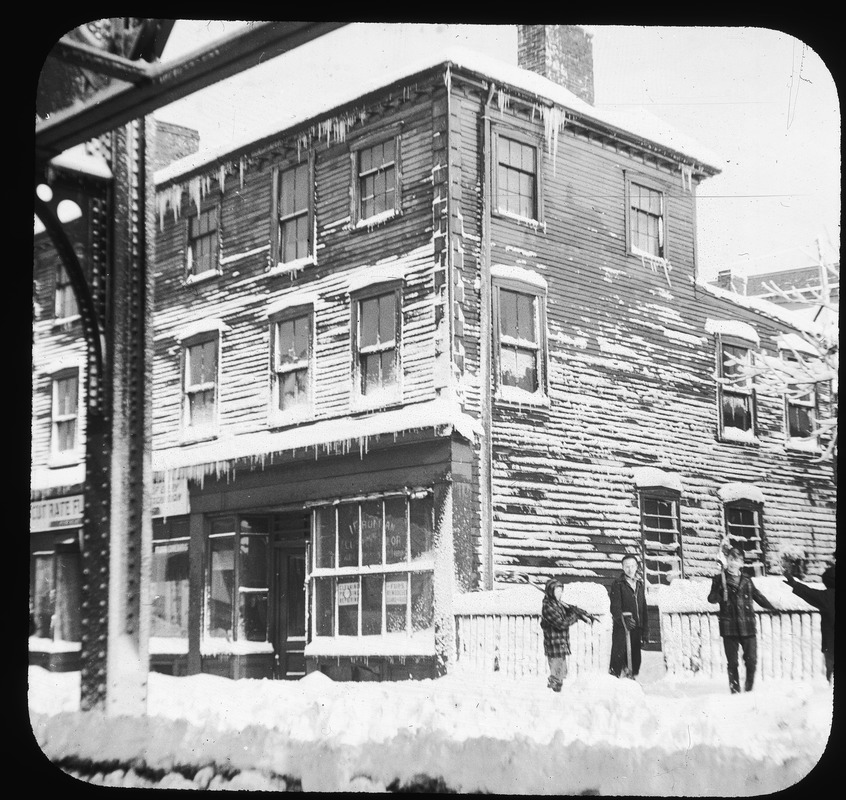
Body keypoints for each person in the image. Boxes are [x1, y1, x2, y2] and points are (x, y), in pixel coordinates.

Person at [707, 547, 778, 693]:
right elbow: (711, 598)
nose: (733, 563)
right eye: (731, 559)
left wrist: (771, 607)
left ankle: (749, 689)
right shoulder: (719, 579)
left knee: (751, 661)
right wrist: (720, 593)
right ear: (727, 560)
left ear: (742, 563)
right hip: (729, 626)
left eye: (737, 560)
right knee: (732, 662)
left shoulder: (747, 580)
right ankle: (735, 691)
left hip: (747, 626)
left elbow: (757, 596)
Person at [784, 563, 835, 681]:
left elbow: (809, 593)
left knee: (831, 674)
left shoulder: (827, 597)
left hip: (831, 645)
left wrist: (793, 583)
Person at [608, 554, 648, 679]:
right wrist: (623, 619)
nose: (630, 569)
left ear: (636, 567)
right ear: (623, 568)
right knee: (618, 657)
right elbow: (615, 607)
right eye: (627, 567)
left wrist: (645, 630)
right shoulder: (618, 584)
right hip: (622, 629)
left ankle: (631, 682)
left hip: (637, 627)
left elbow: (643, 608)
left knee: (634, 660)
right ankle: (615, 683)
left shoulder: (640, 584)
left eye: (632, 566)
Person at [540, 578, 581, 691]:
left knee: (562, 673)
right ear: (550, 592)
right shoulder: (548, 606)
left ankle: (557, 693)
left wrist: (573, 610)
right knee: (556, 675)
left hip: (560, 644)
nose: (560, 594)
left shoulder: (557, 604)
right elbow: (561, 623)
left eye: (561, 591)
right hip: (554, 645)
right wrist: (574, 616)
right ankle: (552, 693)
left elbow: (566, 613)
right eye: (556, 591)